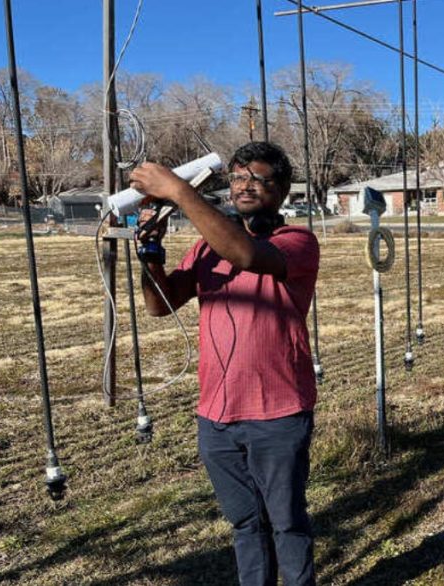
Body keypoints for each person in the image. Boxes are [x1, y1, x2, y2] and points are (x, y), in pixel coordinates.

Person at [131, 142, 319, 585]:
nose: (245, 185)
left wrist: (177, 190)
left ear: (283, 190)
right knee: (245, 524)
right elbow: (161, 306)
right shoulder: (207, 247)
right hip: (215, 415)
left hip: (278, 412)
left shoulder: (296, 242)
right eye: (236, 177)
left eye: (258, 178)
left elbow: (248, 255)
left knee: (287, 523)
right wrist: (150, 255)